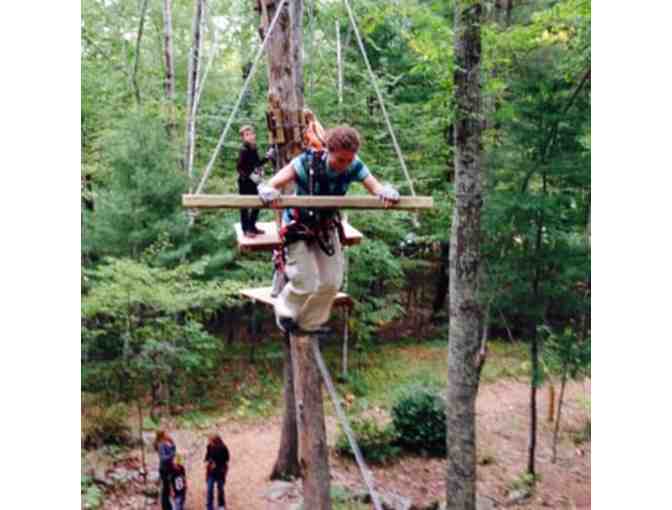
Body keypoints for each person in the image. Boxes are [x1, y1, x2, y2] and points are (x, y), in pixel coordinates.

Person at [258, 125, 400, 334]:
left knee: (332, 281)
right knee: (304, 280)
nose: (345, 165)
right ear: (328, 151)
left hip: (326, 227)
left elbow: (376, 188)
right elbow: (274, 183)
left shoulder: (354, 165)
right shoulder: (306, 163)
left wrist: (387, 193)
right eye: (340, 159)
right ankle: (285, 311)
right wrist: (268, 191)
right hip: (299, 227)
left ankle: (308, 323)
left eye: (349, 160)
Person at [236, 125, 275, 237]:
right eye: (247, 135)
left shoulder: (253, 148)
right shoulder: (243, 150)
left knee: (258, 203)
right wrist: (249, 175)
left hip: (254, 181)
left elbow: (257, 163)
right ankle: (246, 229)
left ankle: (252, 226)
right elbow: (239, 168)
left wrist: (267, 157)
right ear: (243, 138)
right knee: (244, 206)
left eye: (251, 134)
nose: (250, 136)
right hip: (244, 182)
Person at [204, 434, 230, 510]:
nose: (209, 443)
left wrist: (217, 464)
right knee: (209, 489)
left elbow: (227, 459)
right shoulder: (209, 446)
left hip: (220, 472)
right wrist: (208, 462)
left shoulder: (223, 448)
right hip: (211, 472)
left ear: (216, 441)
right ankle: (209, 506)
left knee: (220, 489)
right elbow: (207, 456)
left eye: (211, 441)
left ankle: (221, 505)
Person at [153, 430, 176, 510]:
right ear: (162, 435)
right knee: (165, 489)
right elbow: (163, 458)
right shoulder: (161, 445)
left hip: (169, 467)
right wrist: (172, 455)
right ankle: (165, 507)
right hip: (164, 469)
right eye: (166, 433)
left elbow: (173, 450)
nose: (168, 434)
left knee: (168, 488)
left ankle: (168, 506)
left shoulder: (166, 443)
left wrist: (172, 443)